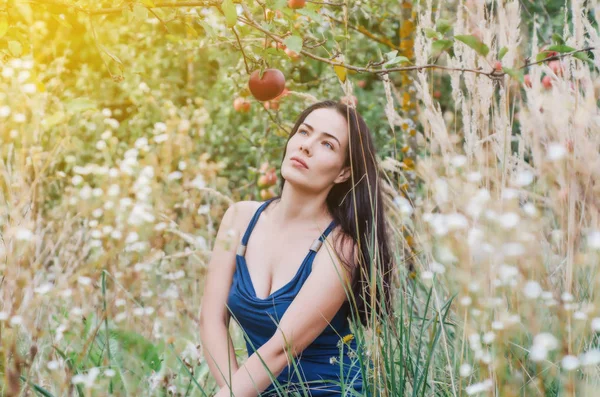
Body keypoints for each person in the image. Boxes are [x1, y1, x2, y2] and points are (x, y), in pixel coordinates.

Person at [199, 100, 394, 396]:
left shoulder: (340, 246)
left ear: (343, 173)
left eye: (327, 144)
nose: (306, 146)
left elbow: (282, 348)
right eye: (304, 132)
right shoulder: (238, 219)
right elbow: (211, 319)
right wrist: (232, 390)